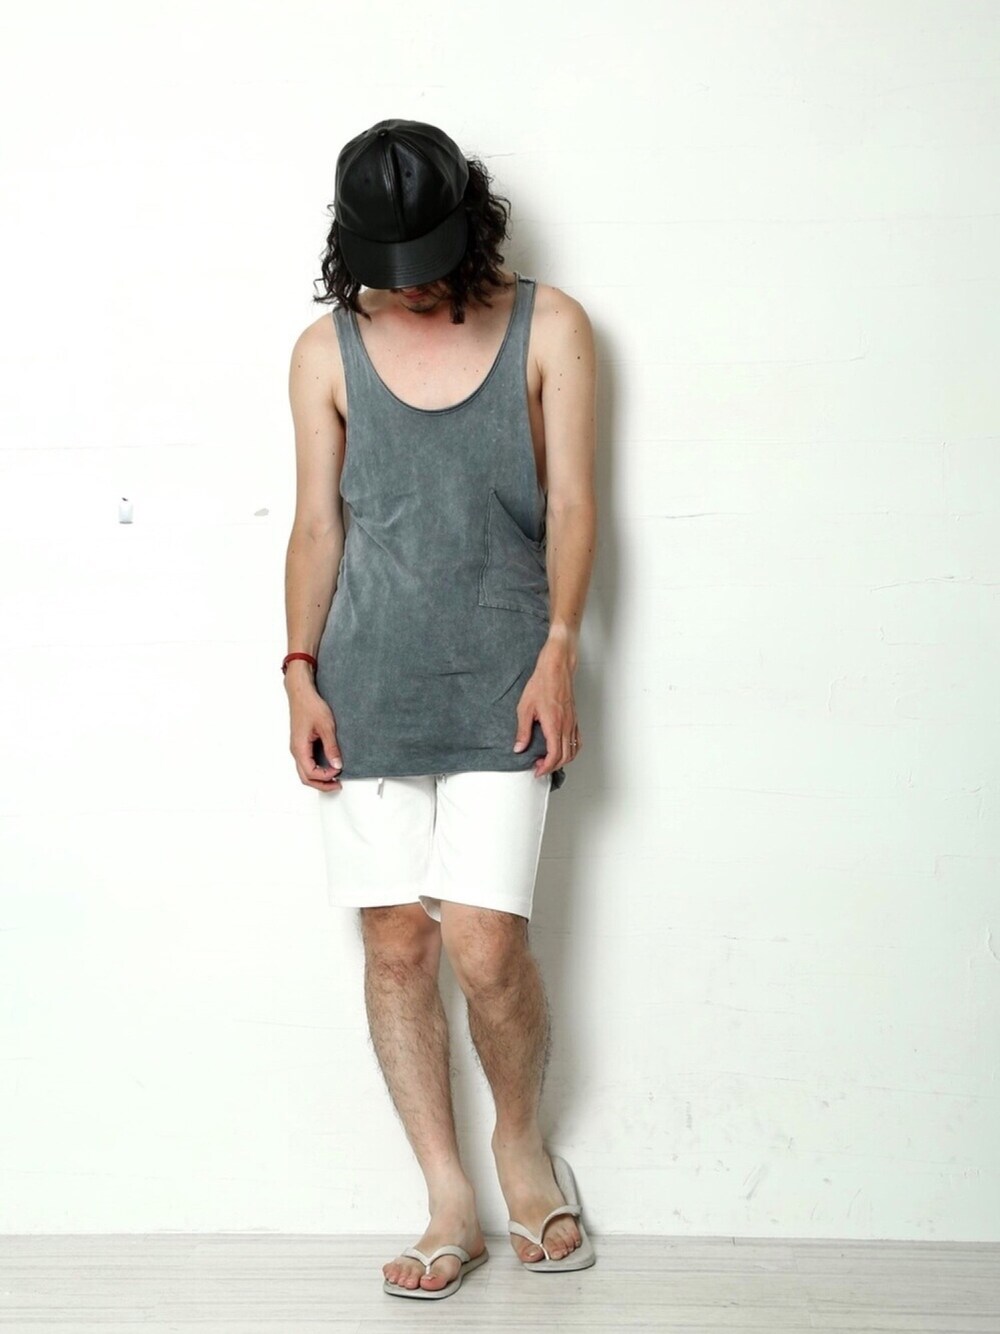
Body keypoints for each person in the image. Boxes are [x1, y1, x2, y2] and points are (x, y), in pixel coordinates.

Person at [282, 119, 598, 1298]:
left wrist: (559, 649)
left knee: (484, 941)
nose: (411, 286)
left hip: (506, 681)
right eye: (389, 266)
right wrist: (298, 670)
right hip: (364, 682)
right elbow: (318, 524)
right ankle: (446, 1194)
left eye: (428, 258)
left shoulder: (550, 327)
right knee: (396, 943)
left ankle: (522, 1150)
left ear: (472, 226)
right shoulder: (324, 352)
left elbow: (574, 504)